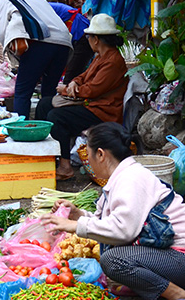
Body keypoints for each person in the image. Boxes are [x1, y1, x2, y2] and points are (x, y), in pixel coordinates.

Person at [41, 122, 185, 300]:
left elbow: (122, 231)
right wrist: (78, 215)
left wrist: (74, 226)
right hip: (175, 255)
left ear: (101, 154)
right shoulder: (121, 177)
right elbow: (110, 223)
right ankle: (146, 286)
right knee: (110, 249)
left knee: (113, 260)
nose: (86, 161)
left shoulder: (130, 180)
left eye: (87, 155)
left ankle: (180, 299)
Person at [36, 14, 128, 180]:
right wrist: (74, 83)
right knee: (44, 104)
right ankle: (49, 158)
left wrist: (67, 90)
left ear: (96, 40)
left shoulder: (113, 61)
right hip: (91, 105)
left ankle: (65, 166)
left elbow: (92, 90)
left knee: (56, 117)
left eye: (90, 37)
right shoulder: (100, 57)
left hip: (103, 112)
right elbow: (83, 77)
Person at [0, 0, 72, 118]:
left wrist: (14, 57)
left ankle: (21, 129)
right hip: (63, 42)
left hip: (40, 42)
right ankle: (47, 129)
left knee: (23, 91)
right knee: (49, 91)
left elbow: (1, 31)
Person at [49, 1, 94, 82]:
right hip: (78, 36)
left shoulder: (38, 9)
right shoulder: (40, 6)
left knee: (70, 78)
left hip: (82, 37)